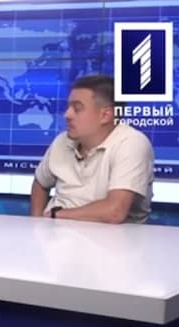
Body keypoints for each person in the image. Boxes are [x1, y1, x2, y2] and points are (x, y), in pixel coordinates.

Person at [31, 74, 154, 224]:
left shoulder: (131, 143)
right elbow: (40, 183)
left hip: (109, 236)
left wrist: (55, 214)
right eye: (68, 107)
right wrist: (36, 223)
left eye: (77, 108)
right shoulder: (62, 141)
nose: (67, 114)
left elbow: (114, 212)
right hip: (53, 231)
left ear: (105, 115)